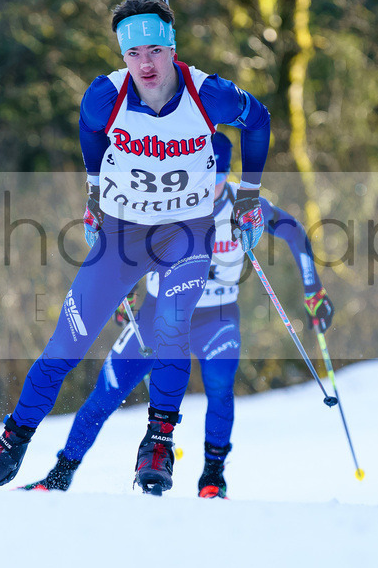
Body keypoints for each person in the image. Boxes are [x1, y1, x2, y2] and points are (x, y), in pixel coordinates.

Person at [0, 0, 273, 495]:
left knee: (171, 329)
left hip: (186, 233)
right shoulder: (104, 96)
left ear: (172, 48)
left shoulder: (209, 94)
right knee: (65, 345)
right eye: (134, 54)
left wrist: (248, 196)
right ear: (123, 56)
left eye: (155, 51)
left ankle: (158, 442)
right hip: (122, 235)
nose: (146, 64)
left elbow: (259, 119)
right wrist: (94, 191)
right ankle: (8, 452)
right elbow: (90, 129)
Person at [20, 131, 334, 498]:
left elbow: (295, 232)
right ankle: (60, 475)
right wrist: (127, 293)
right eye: (202, 174)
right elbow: (127, 249)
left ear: (228, 173)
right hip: (158, 314)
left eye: (218, 176)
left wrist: (313, 288)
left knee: (219, 386)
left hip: (216, 317)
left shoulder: (245, 205)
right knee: (107, 391)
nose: (209, 184)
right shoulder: (165, 201)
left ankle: (213, 479)